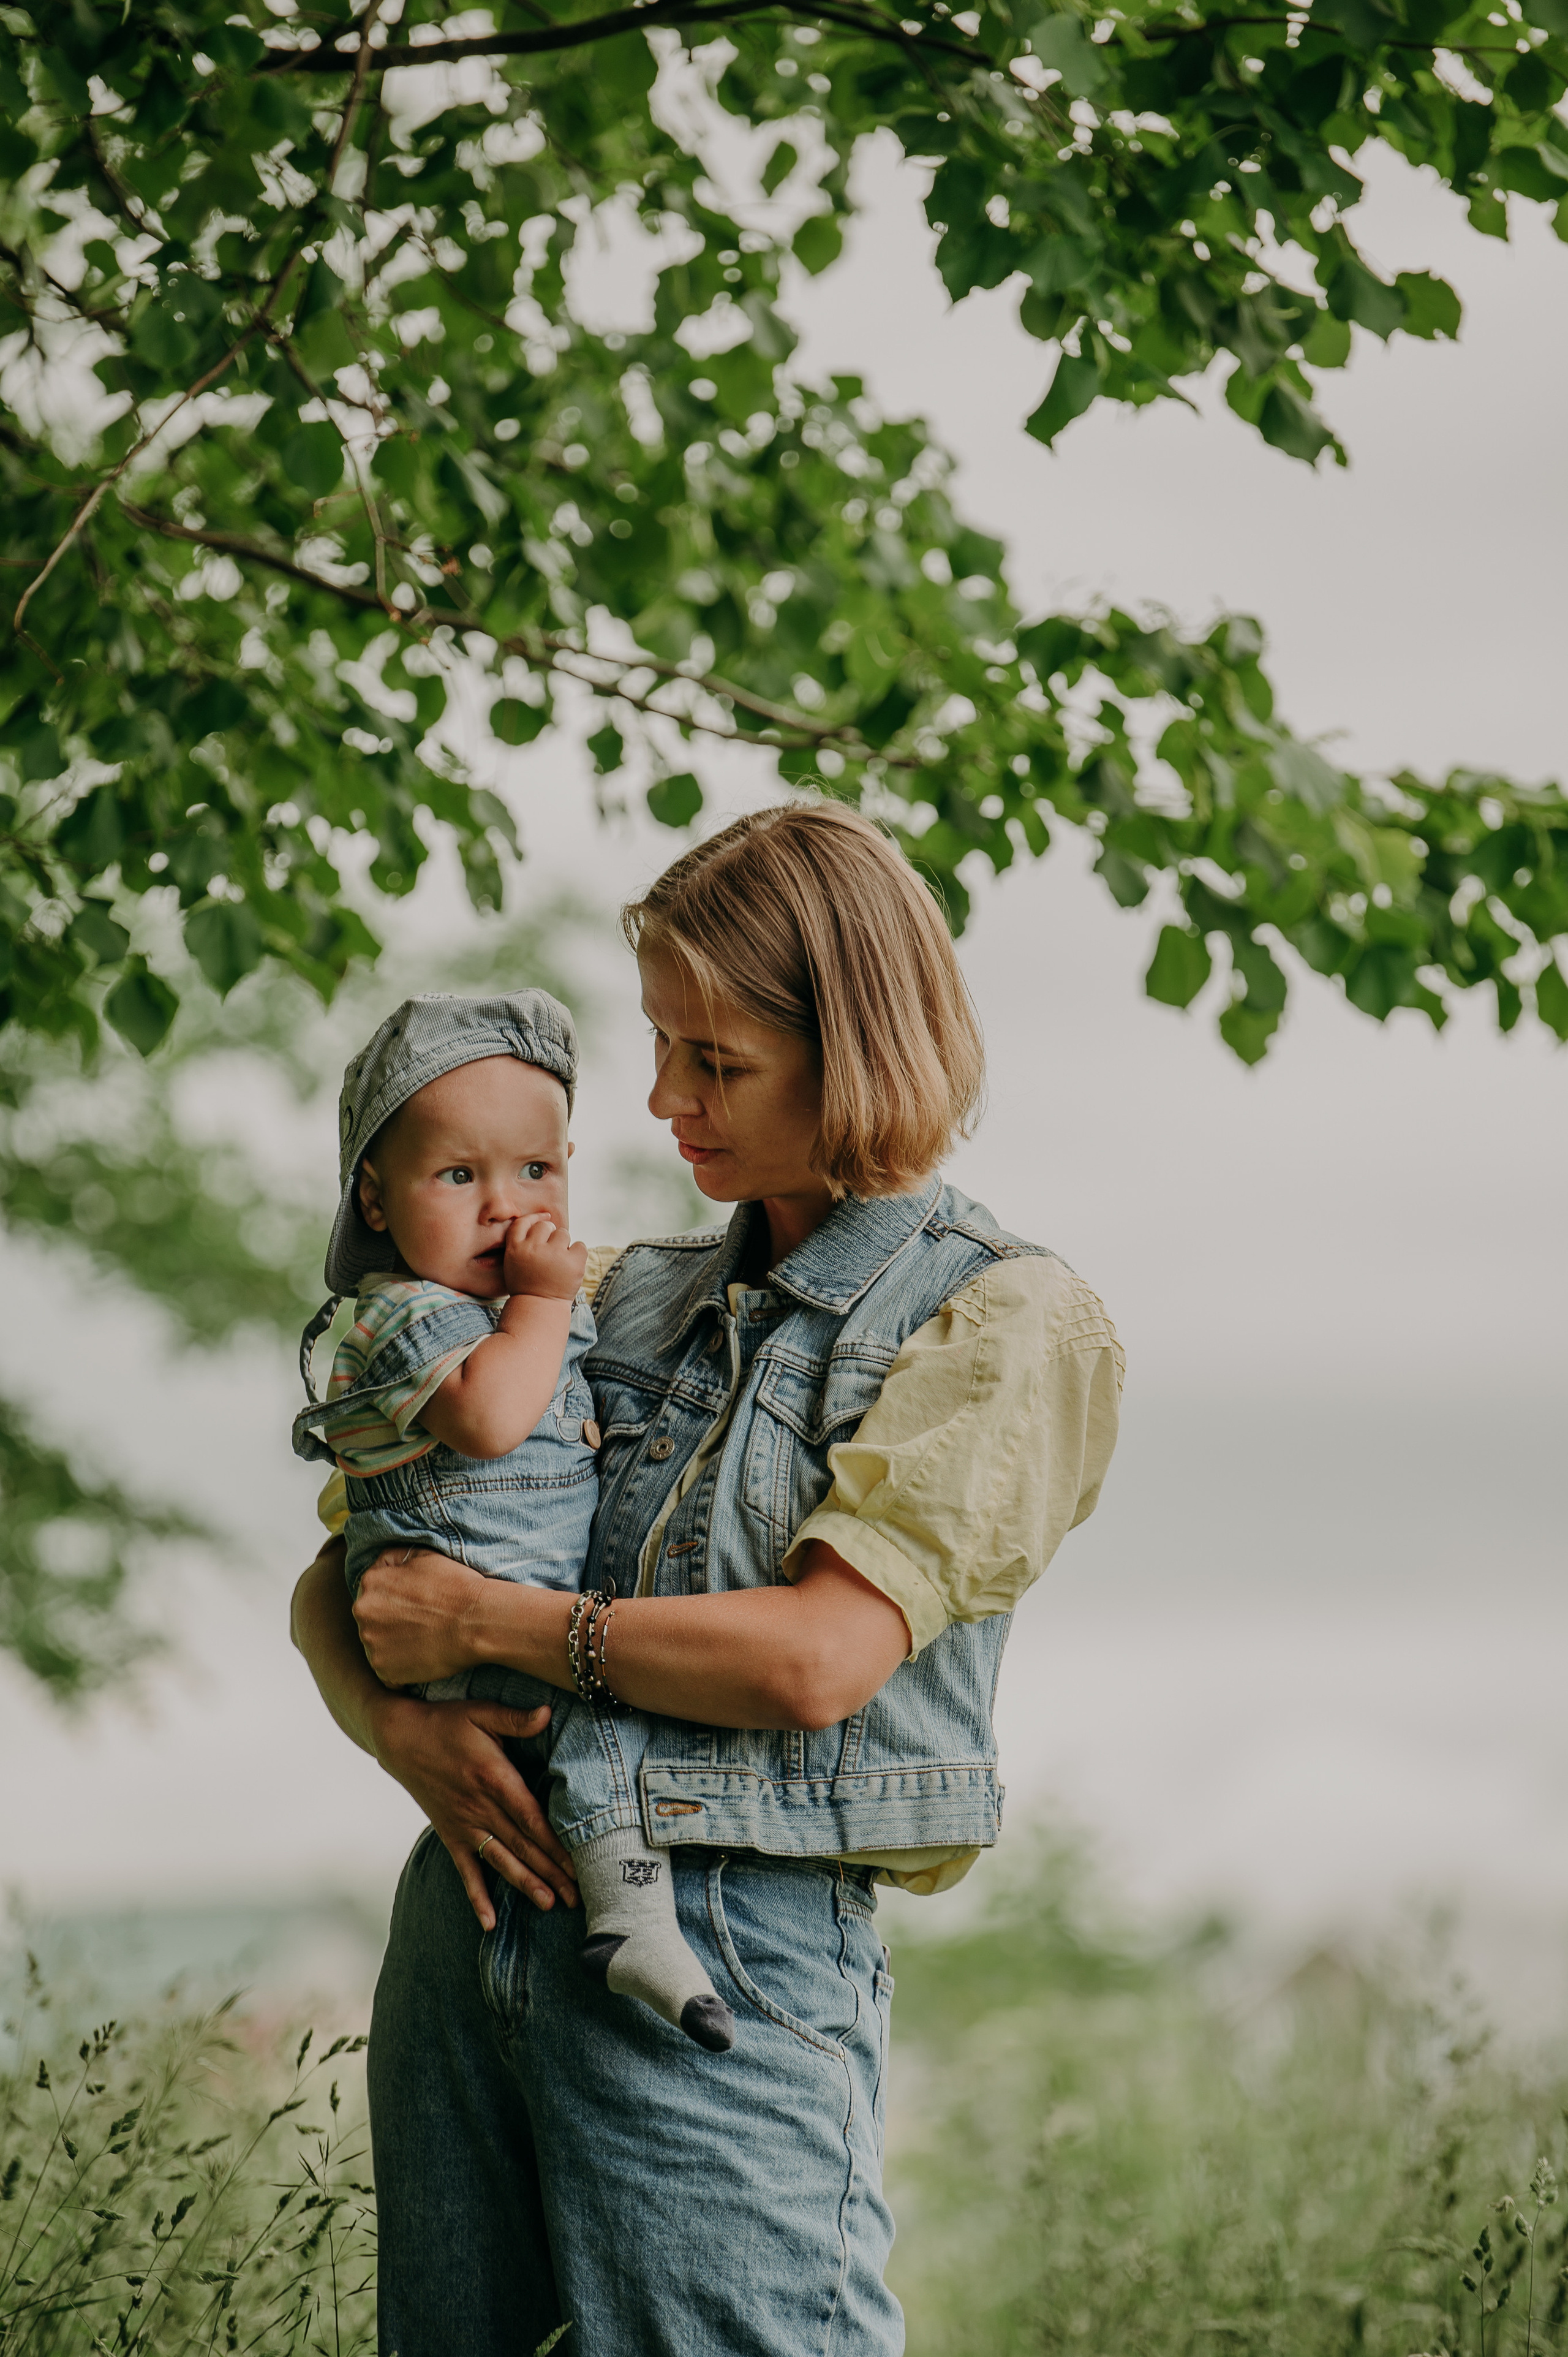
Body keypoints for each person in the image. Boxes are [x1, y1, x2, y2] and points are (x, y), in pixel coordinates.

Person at [292, 801, 1124, 2357]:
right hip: (467, 1928)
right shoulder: (609, 1295)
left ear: (854, 1050)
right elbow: (353, 1568)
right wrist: (394, 1726)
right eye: (660, 1044)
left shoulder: (1000, 1321)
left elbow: (813, 1659)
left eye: (715, 1060)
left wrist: (490, 1625)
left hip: (724, 1946)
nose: (664, 1098)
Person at [292, 988, 736, 2049]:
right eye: (459, 1177)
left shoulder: (518, 1308)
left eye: (535, 1171)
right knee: (600, 1715)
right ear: (376, 1200)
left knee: (591, 1730)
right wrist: (543, 1302)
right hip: (461, 1632)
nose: (504, 1207)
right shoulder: (401, 1318)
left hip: (509, 1617)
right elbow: (491, 1419)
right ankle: (636, 1921)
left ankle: (627, 1920)